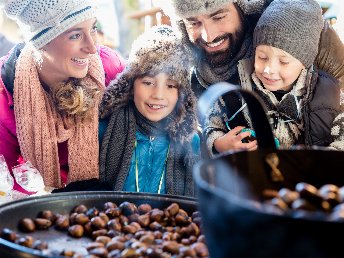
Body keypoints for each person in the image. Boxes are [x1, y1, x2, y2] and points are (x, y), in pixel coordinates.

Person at [158, 0, 344, 153]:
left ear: (244, 7)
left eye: (219, 16)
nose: (208, 36)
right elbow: (208, 127)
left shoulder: (288, 25)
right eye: (193, 22)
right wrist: (218, 144)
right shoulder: (194, 75)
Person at [0, 0, 125, 192]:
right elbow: (6, 183)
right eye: (75, 35)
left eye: (93, 28)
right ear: (41, 42)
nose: (92, 48)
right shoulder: (5, 95)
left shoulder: (109, 68)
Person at [99, 25, 200, 197]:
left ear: (181, 93)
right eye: (148, 82)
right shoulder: (105, 131)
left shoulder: (191, 142)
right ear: (130, 84)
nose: (158, 95)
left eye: (170, 85)